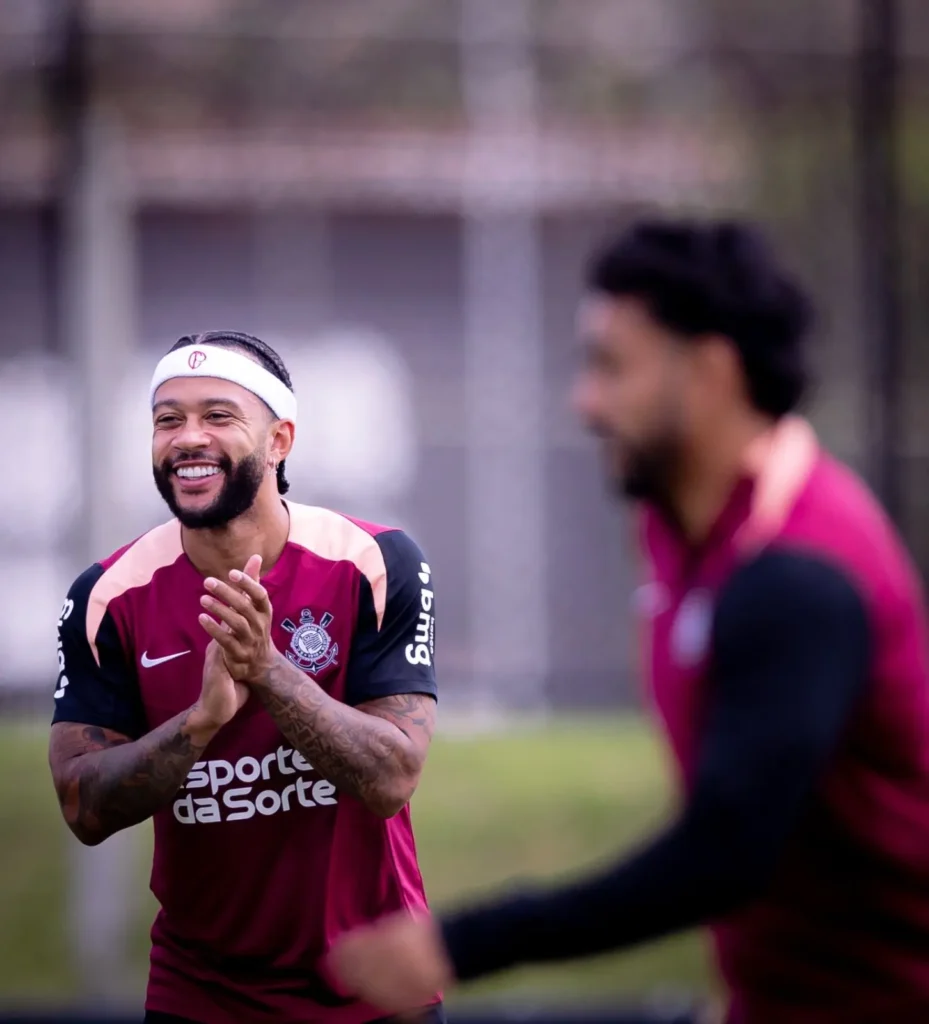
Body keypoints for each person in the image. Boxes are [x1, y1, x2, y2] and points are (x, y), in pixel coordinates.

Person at [329, 219, 929, 1023]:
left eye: (611, 367)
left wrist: (460, 944)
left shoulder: (794, 575)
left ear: (710, 371)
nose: (585, 401)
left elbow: (726, 850)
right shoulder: (681, 526)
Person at [49, 331, 443, 1024]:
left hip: (377, 991)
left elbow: (391, 779)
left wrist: (266, 670)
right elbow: (83, 807)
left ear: (280, 439)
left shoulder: (375, 563)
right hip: (201, 998)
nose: (187, 438)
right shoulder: (107, 597)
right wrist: (200, 722)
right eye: (167, 420)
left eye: (218, 416)